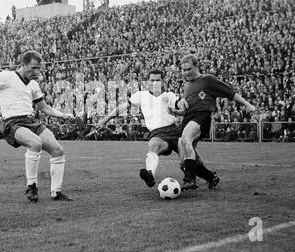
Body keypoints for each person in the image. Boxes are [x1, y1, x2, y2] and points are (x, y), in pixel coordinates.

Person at [0, 50, 75, 203]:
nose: (36, 71)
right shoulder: (7, 76)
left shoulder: (34, 84)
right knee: (35, 143)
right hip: (13, 122)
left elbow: (45, 108)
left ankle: (56, 193)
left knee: (58, 151)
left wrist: (64, 115)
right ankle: (31, 186)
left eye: (38, 68)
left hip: (31, 121)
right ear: (23, 65)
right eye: (33, 68)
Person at [96, 69, 218, 190]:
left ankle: (211, 177)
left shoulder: (168, 95)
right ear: (147, 81)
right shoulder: (140, 95)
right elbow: (122, 107)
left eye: (158, 80)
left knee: (187, 162)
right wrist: (105, 120)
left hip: (175, 132)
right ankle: (150, 174)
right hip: (158, 134)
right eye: (152, 80)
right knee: (153, 144)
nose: (155, 83)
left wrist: (181, 104)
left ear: (163, 81)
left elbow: (178, 103)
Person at [178, 53, 256, 190]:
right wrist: (176, 112)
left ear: (196, 66)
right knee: (184, 157)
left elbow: (230, 93)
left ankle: (189, 179)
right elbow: (187, 109)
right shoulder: (186, 86)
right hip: (188, 117)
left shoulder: (207, 80)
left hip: (202, 116)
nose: (186, 73)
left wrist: (248, 105)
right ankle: (211, 178)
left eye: (189, 69)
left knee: (186, 139)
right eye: (184, 70)